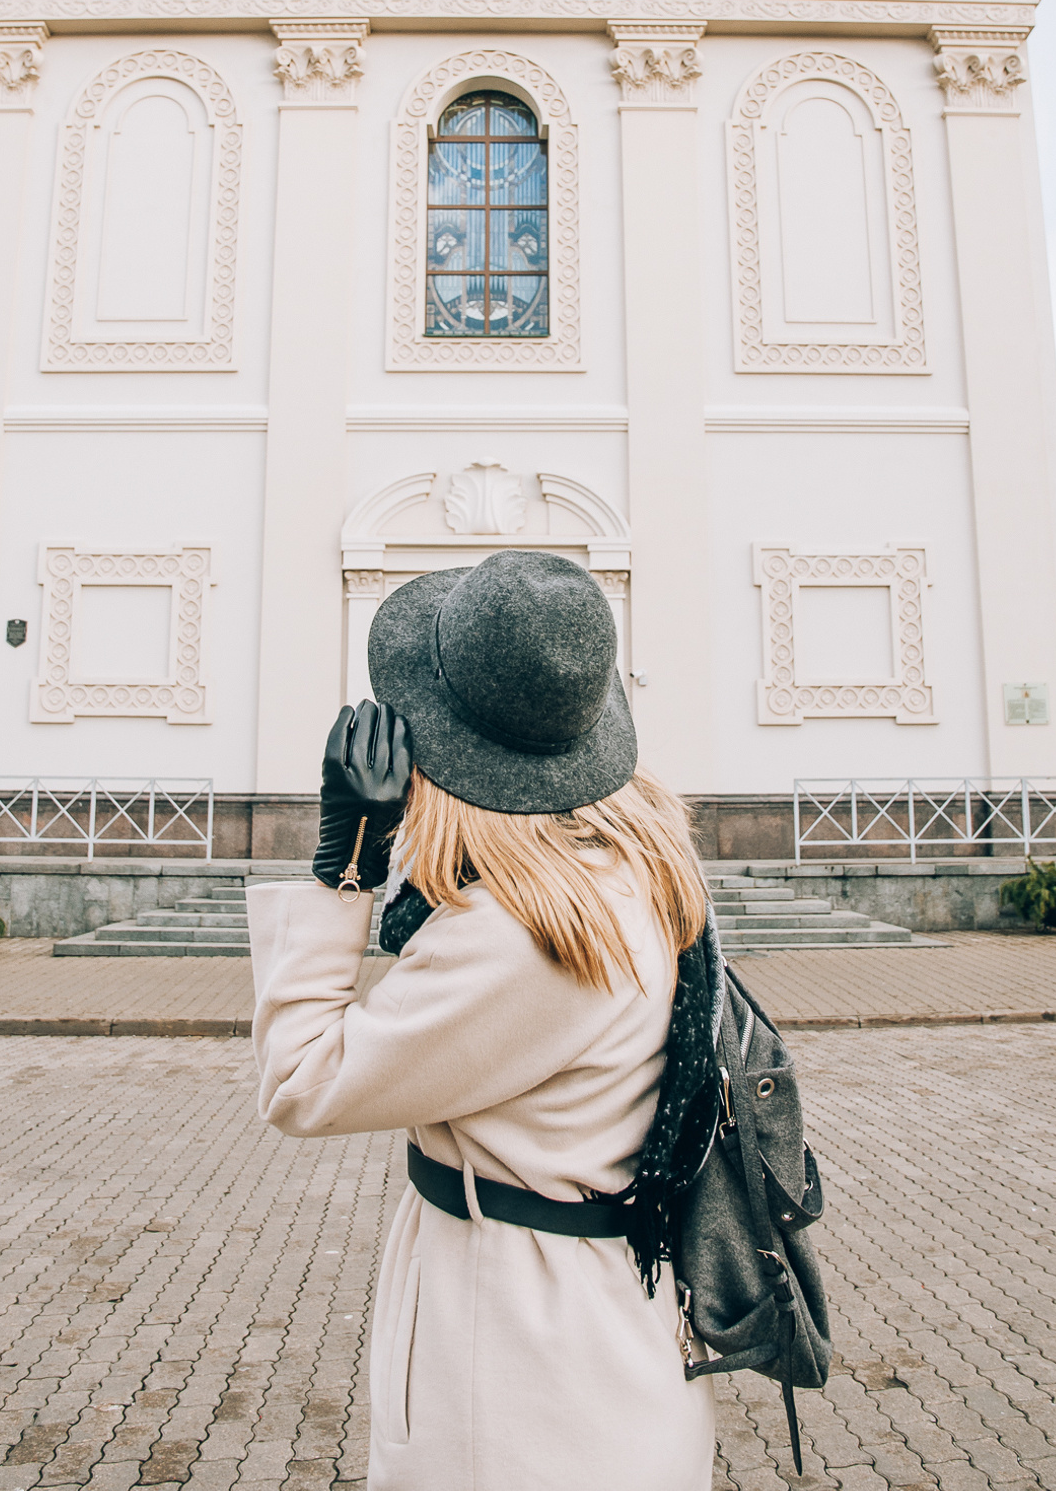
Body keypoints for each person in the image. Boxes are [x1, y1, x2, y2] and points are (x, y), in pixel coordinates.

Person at [248, 550, 724, 1491]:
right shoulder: (635, 867)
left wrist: (344, 867)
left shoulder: (522, 934)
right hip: (603, 1326)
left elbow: (302, 1083)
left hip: (516, 1363)